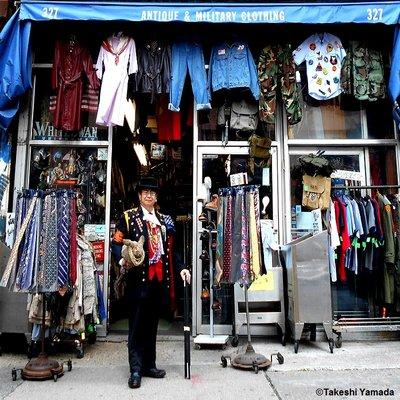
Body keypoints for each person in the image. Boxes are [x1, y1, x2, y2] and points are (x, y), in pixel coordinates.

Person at [112, 176, 191, 389]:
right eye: (145, 192)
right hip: (138, 282)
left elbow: (172, 250)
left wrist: (182, 267)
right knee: (137, 326)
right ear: (139, 195)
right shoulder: (128, 218)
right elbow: (116, 243)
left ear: (156, 197)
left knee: (151, 326)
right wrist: (123, 260)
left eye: (152, 193)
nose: (149, 195)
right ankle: (135, 369)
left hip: (158, 282)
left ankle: (149, 365)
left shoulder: (165, 220)